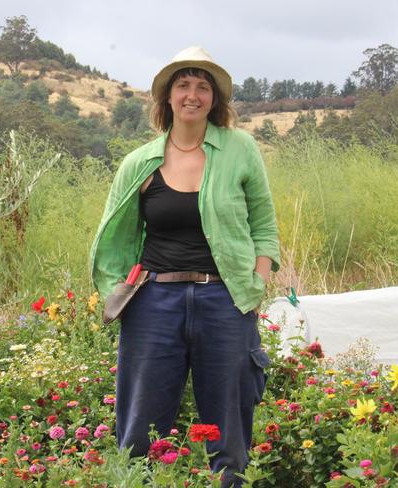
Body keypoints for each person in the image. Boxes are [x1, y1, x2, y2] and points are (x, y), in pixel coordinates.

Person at [90, 46, 280, 487]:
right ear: (167, 97)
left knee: (230, 426)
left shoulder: (240, 149)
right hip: (154, 302)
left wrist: (256, 284)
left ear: (215, 99)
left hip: (225, 300)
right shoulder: (139, 162)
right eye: (183, 85)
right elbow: (114, 238)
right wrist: (118, 292)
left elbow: (264, 226)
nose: (192, 95)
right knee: (141, 425)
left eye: (202, 86)